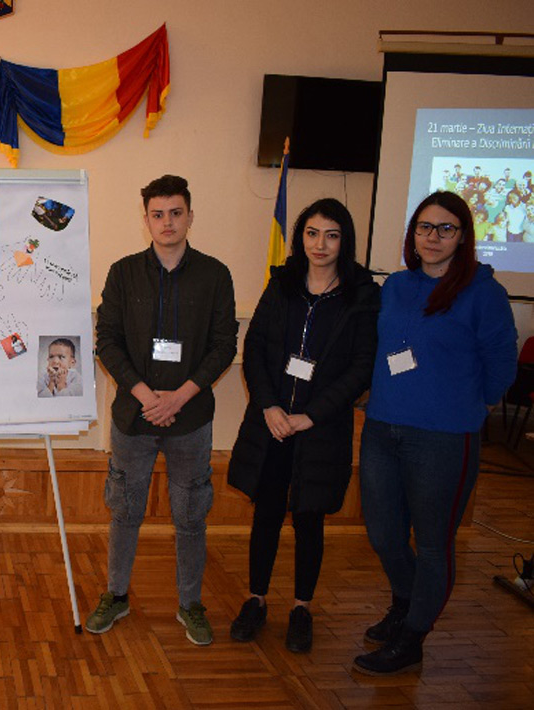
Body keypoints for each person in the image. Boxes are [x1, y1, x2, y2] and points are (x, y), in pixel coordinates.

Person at [354, 191, 516, 675]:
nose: (433, 236)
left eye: (446, 228)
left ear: (463, 236)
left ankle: (413, 636)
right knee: (383, 533)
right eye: (424, 227)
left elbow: (501, 364)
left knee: (432, 544)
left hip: (444, 437)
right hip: (383, 428)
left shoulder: (484, 293)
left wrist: (475, 406)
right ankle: (406, 603)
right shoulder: (396, 285)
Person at [86, 174, 238, 644]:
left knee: (190, 516)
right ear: (146, 219)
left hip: (190, 418)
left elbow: (224, 345)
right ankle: (116, 595)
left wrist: (178, 396)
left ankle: (191, 604)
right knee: (124, 511)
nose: (167, 222)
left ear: (190, 216)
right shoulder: (123, 273)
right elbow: (106, 341)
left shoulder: (215, 275)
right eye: (158, 214)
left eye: (175, 213)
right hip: (134, 416)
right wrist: (146, 395)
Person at [227, 199, 380, 653]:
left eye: (331, 235)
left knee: (309, 519)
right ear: (301, 237)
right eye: (312, 233)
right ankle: (256, 600)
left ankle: (301, 608)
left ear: (344, 241)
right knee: (267, 515)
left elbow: (362, 366)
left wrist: (312, 415)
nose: (320, 244)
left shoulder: (362, 294)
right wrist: (269, 407)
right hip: (273, 425)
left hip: (320, 428)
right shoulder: (282, 284)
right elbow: (255, 349)